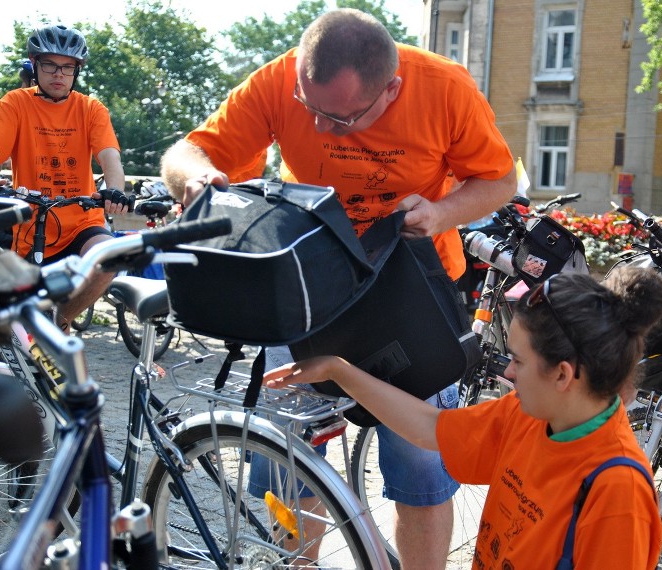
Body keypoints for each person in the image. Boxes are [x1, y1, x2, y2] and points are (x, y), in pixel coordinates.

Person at [160, 9, 515, 569]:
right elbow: (185, 153)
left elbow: (500, 179)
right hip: (307, 292)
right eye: (312, 110)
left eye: (344, 119)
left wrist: (443, 211)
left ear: (392, 88)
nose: (323, 129)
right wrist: (197, 178)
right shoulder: (278, 80)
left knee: (421, 469)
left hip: (409, 291)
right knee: (286, 461)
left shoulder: (444, 88)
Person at [262, 267, 662, 568]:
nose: (508, 372)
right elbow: (431, 428)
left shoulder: (617, 490)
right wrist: (339, 371)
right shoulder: (530, 414)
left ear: (563, 374)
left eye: (519, 361)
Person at [0, 24, 129, 334]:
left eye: (68, 67)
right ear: (35, 64)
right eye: (50, 65)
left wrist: (116, 191)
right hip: (29, 223)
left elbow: (110, 156)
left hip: (81, 219)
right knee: (16, 321)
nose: (59, 74)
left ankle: (62, 322)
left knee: (109, 257)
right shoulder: (15, 103)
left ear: (76, 71)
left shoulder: (90, 109)